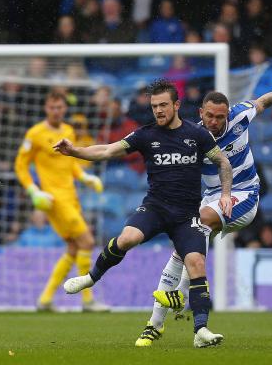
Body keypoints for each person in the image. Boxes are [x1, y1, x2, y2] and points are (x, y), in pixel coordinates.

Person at [55, 79, 233, 348]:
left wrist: (225, 194)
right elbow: (106, 149)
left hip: (187, 215)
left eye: (163, 105)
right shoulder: (146, 135)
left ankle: (201, 331)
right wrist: (75, 151)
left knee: (196, 264)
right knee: (127, 238)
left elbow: (223, 161)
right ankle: (91, 278)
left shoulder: (197, 135)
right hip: (156, 208)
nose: (158, 111)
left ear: (176, 105)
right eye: (154, 106)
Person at [142, 70, 272, 346]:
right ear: (201, 112)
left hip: (244, 195)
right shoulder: (191, 137)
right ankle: (154, 325)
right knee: (183, 247)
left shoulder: (240, 117)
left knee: (198, 224)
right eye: (210, 116)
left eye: (220, 117)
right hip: (211, 198)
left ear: (228, 114)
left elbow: (261, 102)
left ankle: (179, 295)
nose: (215, 122)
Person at [14, 91, 107, 312]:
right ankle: (88, 300)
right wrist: (33, 190)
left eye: (59, 107)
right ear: (46, 108)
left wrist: (85, 177)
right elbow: (20, 165)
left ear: (64, 109)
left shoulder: (68, 131)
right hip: (54, 200)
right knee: (87, 241)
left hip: (71, 197)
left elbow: (70, 162)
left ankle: (45, 299)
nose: (56, 111)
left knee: (74, 248)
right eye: (52, 107)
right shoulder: (35, 134)